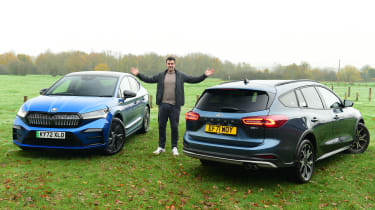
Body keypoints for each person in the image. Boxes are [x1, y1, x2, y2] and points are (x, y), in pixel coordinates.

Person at [130, 56, 214, 155]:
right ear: (166, 64)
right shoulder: (161, 75)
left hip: (175, 106)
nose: (170, 65)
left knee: (174, 127)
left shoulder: (180, 75)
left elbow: (194, 79)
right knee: (161, 126)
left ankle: (174, 147)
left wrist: (204, 75)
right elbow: (149, 79)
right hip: (163, 105)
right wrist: (138, 74)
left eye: (172, 63)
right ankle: (161, 147)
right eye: (169, 63)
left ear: (174, 64)